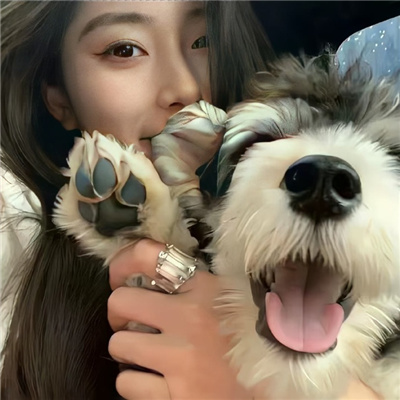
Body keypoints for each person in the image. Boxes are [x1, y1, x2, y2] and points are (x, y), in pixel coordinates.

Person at [0, 1, 382, 399]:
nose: (183, 87)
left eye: (203, 41)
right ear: (58, 98)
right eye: (124, 50)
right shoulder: (15, 240)